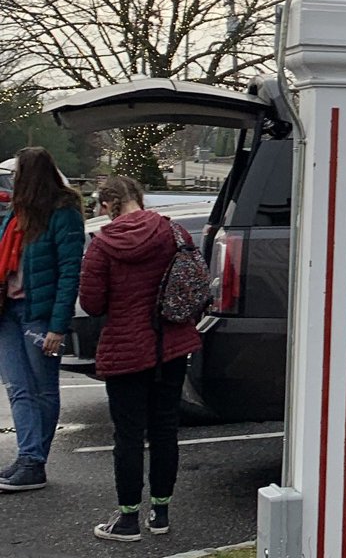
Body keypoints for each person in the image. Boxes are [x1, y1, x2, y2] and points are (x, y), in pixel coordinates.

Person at [79, 175, 202, 542]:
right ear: (140, 198)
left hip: (125, 350)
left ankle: (128, 519)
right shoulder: (174, 232)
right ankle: (160, 514)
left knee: (129, 436)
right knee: (165, 429)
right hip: (170, 344)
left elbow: (92, 304)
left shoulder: (102, 246)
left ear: (107, 205)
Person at [0, 146, 86, 494]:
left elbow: (69, 273)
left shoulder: (63, 215)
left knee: (43, 390)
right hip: (8, 312)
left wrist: (57, 326)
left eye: (17, 174)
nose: (13, 180)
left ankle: (33, 462)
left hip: (39, 314)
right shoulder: (15, 214)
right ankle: (28, 457)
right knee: (18, 388)